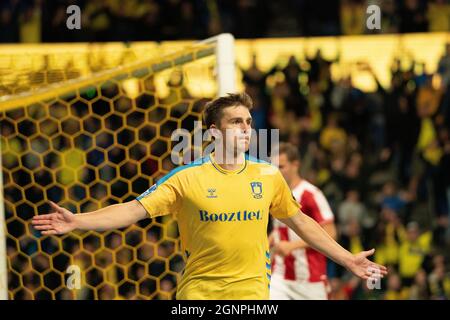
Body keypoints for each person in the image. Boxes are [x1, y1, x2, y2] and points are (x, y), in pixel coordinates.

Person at [32, 92, 387, 300]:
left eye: (248, 122)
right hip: (200, 295)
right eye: (236, 122)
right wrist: (78, 221)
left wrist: (346, 260)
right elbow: (132, 211)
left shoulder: (267, 174)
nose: (247, 129)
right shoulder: (186, 177)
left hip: (252, 294)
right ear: (214, 132)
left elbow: (301, 222)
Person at [269, 142, 337, 300]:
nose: (276, 172)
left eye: (281, 166)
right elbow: (280, 228)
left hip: (310, 279)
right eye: (274, 167)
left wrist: (292, 246)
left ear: (295, 165)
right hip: (280, 277)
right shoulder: (275, 193)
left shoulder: (311, 194)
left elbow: (331, 233)